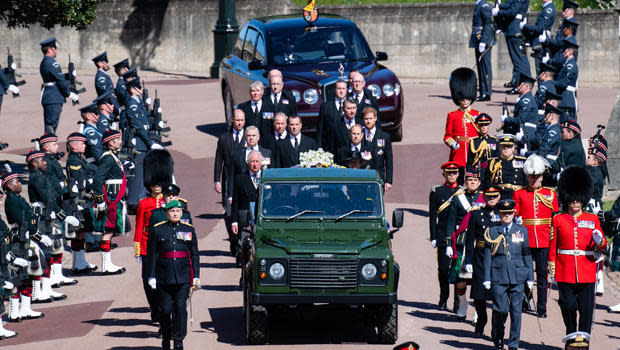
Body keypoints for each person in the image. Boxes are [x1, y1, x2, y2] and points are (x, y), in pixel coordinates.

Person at [551, 166, 606, 336]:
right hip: (565, 269)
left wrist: (599, 241)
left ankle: (583, 339)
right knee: (568, 305)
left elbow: (602, 246)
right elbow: (553, 245)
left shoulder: (592, 219)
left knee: (586, 309)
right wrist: (551, 264)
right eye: (572, 198)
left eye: (578, 198)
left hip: (587, 268)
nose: (575, 201)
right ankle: (571, 333)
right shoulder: (558, 219)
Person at [147, 200, 200, 350]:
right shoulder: (158, 230)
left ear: (182, 213)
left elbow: (194, 254)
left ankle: (178, 341)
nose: (175, 213)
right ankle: (165, 337)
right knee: (165, 310)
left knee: (180, 309)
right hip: (164, 276)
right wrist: (151, 276)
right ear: (167, 213)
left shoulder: (188, 229)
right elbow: (153, 254)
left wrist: (196, 275)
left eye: (178, 211)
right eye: (172, 211)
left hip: (182, 277)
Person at [483, 199, 534, 350]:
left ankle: (513, 343)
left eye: (509, 213)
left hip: (518, 274)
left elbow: (527, 255)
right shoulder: (492, 231)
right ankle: (498, 336)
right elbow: (487, 256)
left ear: (514, 214)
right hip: (498, 274)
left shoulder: (522, 230)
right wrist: (487, 277)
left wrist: (530, 276)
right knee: (500, 309)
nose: (506, 216)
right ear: (499, 214)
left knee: (516, 312)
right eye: (503, 213)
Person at [513, 154, 559, 317]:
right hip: (525, 238)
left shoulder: (550, 194)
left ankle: (541, 307)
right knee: (525, 272)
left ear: (542, 177)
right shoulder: (519, 194)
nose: (534, 180)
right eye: (531, 177)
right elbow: (515, 213)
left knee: (541, 274)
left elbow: (555, 218)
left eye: (536, 177)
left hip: (544, 238)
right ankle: (525, 300)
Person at [27, 150, 76, 301]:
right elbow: (48, 198)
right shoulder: (36, 178)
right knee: (43, 254)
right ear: (35, 164)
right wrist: (63, 215)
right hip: (42, 215)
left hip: (47, 213)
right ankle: (39, 291)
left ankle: (46, 288)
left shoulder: (40, 177)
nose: (45, 162)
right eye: (42, 160)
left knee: (49, 252)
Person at [2, 171, 46, 321]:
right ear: (9, 186)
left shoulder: (17, 198)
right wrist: (38, 234)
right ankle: (14, 312)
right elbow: (23, 221)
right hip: (19, 239)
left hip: (26, 237)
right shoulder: (12, 200)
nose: (20, 184)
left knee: (27, 275)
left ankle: (26, 308)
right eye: (16, 182)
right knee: (18, 277)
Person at [135, 150, 172, 325]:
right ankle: (154, 308)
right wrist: (138, 250)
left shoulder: (170, 204)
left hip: (164, 247)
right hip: (147, 248)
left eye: (159, 184)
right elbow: (139, 227)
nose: (156, 186)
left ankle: (163, 312)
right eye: (154, 184)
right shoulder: (144, 204)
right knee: (147, 282)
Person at [445, 169, 484, 320]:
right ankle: (462, 304)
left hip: (479, 242)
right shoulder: (457, 199)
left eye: (475, 180)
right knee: (460, 279)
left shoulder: (484, 198)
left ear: (479, 183)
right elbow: (451, 222)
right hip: (462, 242)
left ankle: (477, 311)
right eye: (469, 180)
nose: (472, 182)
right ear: (465, 182)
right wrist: (448, 243)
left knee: (478, 279)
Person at [465, 185, 501, 335]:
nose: (492, 199)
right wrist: (468, 260)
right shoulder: (476, 215)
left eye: (495, 196)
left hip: (499, 256)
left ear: (499, 197)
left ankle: (496, 327)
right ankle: (482, 318)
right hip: (480, 256)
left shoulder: (505, 213)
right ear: (484, 197)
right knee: (479, 294)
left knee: (498, 294)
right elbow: (470, 239)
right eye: (489, 196)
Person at [92, 130, 128, 275]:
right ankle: (106, 265)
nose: (120, 141)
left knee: (111, 231)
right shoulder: (107, 158)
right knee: (108, 231)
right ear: (111, 142)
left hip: (115, 198)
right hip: (111, 199)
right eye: (118, 139)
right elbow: (98, 180)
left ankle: (108, 263)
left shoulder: (114, 156)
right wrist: (100, 200)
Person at [124, 76, 163, 211]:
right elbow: (138, 126)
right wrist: (149, 142)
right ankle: (135, 201)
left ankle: (139, 199)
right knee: (138, 173)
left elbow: (144, 121)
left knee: (141, 172)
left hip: (142, 140)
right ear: (133, 89)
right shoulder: (132, 104)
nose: (141, 89)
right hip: (138, 141)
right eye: (139, 87)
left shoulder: (137, 102)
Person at [428, 162, 461, 310]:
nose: (451, 175)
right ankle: (443, 298)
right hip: (443, 236)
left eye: (454, 173)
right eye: (449, 173)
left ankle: (457, 301)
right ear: (444, 175)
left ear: (458, 174)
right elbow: (432, 216)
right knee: (442, 269)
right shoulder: (437, 191)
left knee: (458, 270)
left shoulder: (463, 192)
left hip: (459, 237)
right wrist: (433, 236)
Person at [65, 132, 99, 275]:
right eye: (82, 143)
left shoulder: (80, 159)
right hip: (79, 199)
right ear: (73, 146)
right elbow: (79, 179)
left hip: (84, 199)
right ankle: (77, 264)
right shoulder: (73, 160)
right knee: (78, 232)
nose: (84, 145)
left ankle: (81, 261)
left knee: (82, 232)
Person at [214, 109, 245, 254]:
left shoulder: (249, 136)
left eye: (242, 120)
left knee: (242, 212)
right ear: (232, 120)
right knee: (228, 213)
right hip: (228, 180)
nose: (239, 123)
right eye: (237, 120)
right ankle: (233, 240)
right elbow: (218, 160)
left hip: (243, 180)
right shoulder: (224, 138)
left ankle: (241, 242)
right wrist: (217, 180)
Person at [444, 68, 480, 183]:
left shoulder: (477, 115)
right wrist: (452, 143)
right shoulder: (452, 115)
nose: (464, 100)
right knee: (456, 181)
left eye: (467, 98)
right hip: (458, 152)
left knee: (473, 180)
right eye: (462, 98)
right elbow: (447, 136)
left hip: (473, 151)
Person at [39, 37, 78, 133]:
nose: (56, 51)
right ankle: (47, 146)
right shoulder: (52, 63)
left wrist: (68, 75)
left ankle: (48, 145)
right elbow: (60, 80)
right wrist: (68, 93)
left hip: (50, 96)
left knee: (50, 126)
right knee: (51, 126)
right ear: (49, 49)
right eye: (54, 48)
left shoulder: (45, 62)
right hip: (54, 97)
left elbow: (54, 77)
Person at [492, 0, 531, 94]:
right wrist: (499, 5)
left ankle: (523, 85)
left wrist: (498, 12)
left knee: (519, 60)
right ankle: (520, 84)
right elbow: (509, 4)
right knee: (516, 60)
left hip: (515, 29)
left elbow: (513, 11)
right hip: (511, 28)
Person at [483, 135, 526, 199]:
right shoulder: (493, 162)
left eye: (509, 146)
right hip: (499, 194)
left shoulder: (522, 161)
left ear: (513, 148)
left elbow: (526, 181)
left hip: (517, 194)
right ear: (500, 147)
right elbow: (487, 181)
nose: (506, 148)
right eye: (503, 146)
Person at [521, 0, 555, 75]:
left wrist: (525, 26)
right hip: (539, 41)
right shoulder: (545, 8)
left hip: (542, 42)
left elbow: (539, 28)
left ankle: (542, 87)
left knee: (541, 71)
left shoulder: (549, 9)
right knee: (539, 70)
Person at [363, 107, 393, 192]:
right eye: (366, 119)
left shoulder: (384, 136)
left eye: (371, 118)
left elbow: (389, 160)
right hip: (362, 178)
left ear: (375, 118)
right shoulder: (359, 135)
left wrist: (389, 180)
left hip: (379, 179)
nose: (368, 121)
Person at [470, 0, 494, 101]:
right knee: (480, 67)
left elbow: (488, 24)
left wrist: (483, 41)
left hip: (483, 40)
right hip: (478, 39)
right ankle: (483, 92)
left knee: (485, 68)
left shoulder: (484, 6)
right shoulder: (478, 5)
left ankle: (487, 93)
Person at [262, 69, 297, 135]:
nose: (275, 87)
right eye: (273, 84)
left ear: (282, 85)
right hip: (267, 134)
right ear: (269, 84)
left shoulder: (289, 97)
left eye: (278, 84)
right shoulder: (263, 96)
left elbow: (293, 116)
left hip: (285, 135)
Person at [317, 79, 348, 152]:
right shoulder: (325, 106)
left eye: (343, 88)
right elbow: (320, 128)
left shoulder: (353, 105)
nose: (341, 91)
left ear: (346, 90)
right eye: (339, 88)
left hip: (347, 146)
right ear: (335, 90)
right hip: (330, 147)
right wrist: (319, 146)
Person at [554, 37, 579, 122]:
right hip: (564, 99)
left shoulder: (570, 65)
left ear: (571, 51)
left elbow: (564, 83)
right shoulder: (566, 64)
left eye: (565, 49)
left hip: (567, 100)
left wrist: (550, 82)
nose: (563, 51)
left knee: (567, 126)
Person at [512, 74, 539, 149]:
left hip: (526, 133)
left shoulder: (527, 100)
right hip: (523, 131)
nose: (518, 87)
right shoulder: (524, 99)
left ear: (526, 87)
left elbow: (521, 119)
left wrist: (507, 119)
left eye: (520, 84)